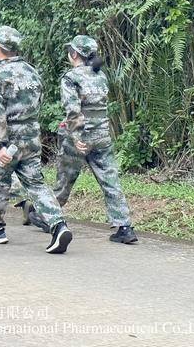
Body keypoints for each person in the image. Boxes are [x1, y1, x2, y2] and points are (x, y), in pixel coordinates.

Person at [0, 25, 73, 254]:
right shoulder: (31, 71)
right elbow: (38, 102)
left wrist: (0, 145)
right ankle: (58, 225)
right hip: (31, 134)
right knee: (35, 183)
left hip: (9, 136)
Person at [39, 35, 137, 244]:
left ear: (74, 54)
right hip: (102, 135)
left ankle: (50, 218)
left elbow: (72, 109)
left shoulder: (71, 77)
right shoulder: (100, 75)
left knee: (64, 180)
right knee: (110, 180)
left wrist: (75, 136)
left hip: (81, 136)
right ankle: (124, 227)